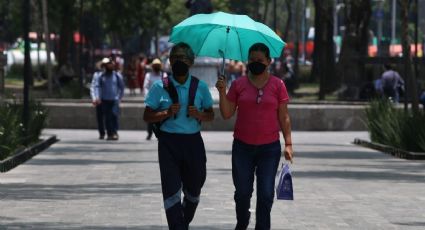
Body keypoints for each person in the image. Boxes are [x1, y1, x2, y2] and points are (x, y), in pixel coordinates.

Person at [215, 43, 294, 230]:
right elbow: (227, 113)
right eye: (251, 60)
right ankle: (242, 223)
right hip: (242, 148)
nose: (255, 63)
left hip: (269, 149)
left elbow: (284, 116)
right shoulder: (238, 84)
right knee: (242, 193)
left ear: (268, 61)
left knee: (266, 194)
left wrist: (288, 143)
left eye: (260, 60)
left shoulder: (278, 85)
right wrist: (222, 92)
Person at [143, 42, 214, 229]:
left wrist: (199, 114)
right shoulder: (160, 87)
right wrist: (165, 113)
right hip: (169, 143)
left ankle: (183, 220)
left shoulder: (200, 87)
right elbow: (147, 116)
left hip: (193, 143)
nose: (179, 62)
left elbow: (211, 114)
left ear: (191, 62)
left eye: (183, 58)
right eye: (175, 58)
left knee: (195, 186)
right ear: (170, 62)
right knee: (171, 188)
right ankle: (177, 225)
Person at [93, 57, 125, 141]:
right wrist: (97, 97)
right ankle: (110, 133)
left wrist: (119, 97)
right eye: (108, 65)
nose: (110, 66)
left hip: (114, 99)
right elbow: (97, 87)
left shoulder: (117, 75)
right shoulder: (101, 76)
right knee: (107, 117)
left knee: (114, 115)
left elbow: (121, 87)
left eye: (111, 64)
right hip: (104, 99)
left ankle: (114, 132)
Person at [143, 58, 168, 140]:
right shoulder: (148, 75)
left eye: (158, 65)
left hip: (161, 100)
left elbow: (167, 87)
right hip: (151, 100)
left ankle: (160, 133)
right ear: (153, 66)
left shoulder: (164, 75)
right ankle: (149, 133)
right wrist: (148, 96)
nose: (156, 67)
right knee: (150, 117)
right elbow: (146, 86)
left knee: (160, 117)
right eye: (155, 66)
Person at [90, 62, 106, 139]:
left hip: (108, 99)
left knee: (109, 116)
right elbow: (93, 87)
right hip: (99, 99)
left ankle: (110, 131)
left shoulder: (112, 74)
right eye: (101, 66)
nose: (103, 67)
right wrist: (94, 98)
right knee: (100, 117)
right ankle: (102, 133)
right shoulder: (96, 75)